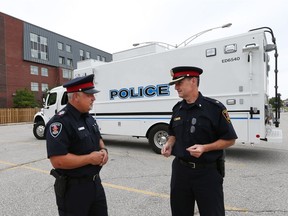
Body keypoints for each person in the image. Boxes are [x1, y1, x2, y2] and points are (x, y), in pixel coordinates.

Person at [161, 66, 237, 216]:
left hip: (207, 172)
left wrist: (205, 148)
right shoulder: (177, 108)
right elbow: (173, 133)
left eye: (179, 83)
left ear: (193, 81)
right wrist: (169, 144)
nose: (176, 87)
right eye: (175, 84)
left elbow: (230, 140)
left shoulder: (214, 108)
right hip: (180, 171)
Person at [46, 74, 109, 216]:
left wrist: (103, 150)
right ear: (76, 97)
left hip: (95, 185)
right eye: (89, 95)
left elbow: (98, 138)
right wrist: (90, 159)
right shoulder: (60, 123)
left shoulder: (88, 117)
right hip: (74, 190)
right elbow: (58, 161)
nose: (94, 98)